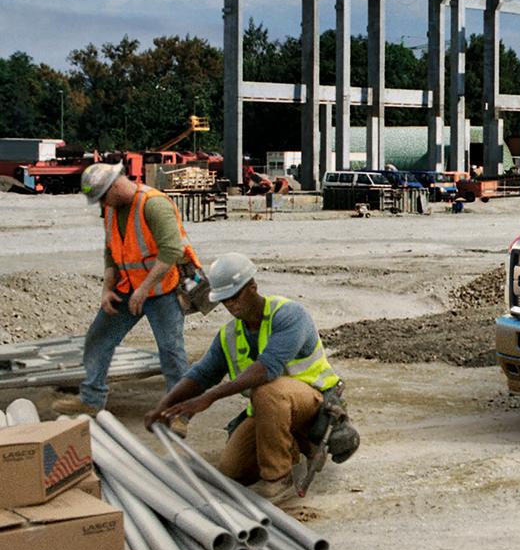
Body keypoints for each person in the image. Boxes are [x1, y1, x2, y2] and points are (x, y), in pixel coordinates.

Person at [144, 253, 355, 503]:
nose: (231, 305)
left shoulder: (288, 315)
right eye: (225, 301)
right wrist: (163, 406)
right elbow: (200, 375)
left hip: (314, 404)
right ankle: (294, 444)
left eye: (235, 297)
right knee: (232, 470)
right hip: (273, 410)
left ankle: (278, 479)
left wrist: (209, 398)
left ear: (252, 287)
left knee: (266, 390)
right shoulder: (230, 335)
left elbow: (267, 369)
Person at [55, 163, 201, 416]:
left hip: (162, 289)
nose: (103, 203)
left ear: (115, 185)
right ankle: (91, 399)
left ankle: (179, 412)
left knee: (170, 350)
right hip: (129, 287)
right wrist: (107, 289)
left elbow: (171, 251)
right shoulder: (111, 209)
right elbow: (111, 251)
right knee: (99, 337)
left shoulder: (153, 204)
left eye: (103, 196)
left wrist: (144, 289)